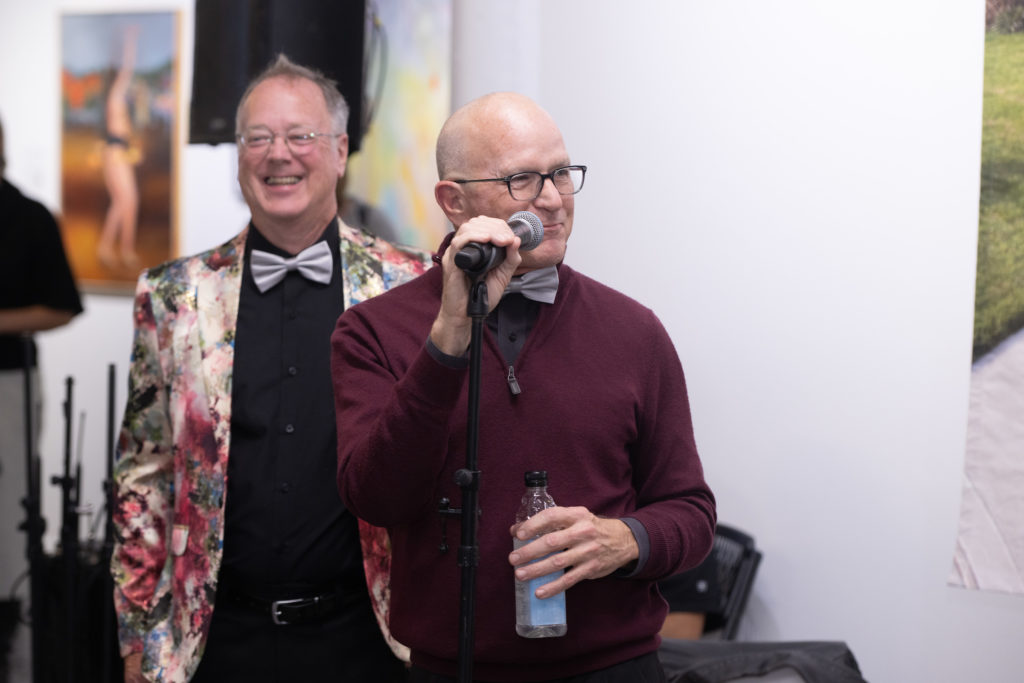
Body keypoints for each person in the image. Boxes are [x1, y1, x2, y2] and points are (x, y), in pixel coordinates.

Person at [331, 92, 717, 682]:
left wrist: (624, 539)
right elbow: (376, 497)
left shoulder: (634, 331)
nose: (554, 199)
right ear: (453, 201)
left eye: (561, 173)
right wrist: (449, 338)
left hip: (613, 668)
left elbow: (691, 513)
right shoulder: (373, 331)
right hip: (453, 669)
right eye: (522, 180)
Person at [109, 55, 431, 683]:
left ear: (340, 151)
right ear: (238, 154)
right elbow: (141, 473)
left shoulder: (413, 286)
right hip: (214, 644)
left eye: (299, 136)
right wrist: (138, 640)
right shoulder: (173, 294)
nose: (277, 154)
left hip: (371, 641)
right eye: (257, 137)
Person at [0, 113, 84, 682]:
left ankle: (6, 624)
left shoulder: (26, 217)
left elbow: (63, 305)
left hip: (6, 382)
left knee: (7, 516)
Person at [97, 25, 141, 271]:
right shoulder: (116, 94)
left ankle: (107, 247)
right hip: (115, 154)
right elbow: (128, 68)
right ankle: (126, 250)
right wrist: (130, 39)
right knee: (129, 201)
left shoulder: (115, 97)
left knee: (120, 202)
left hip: (116, 153)